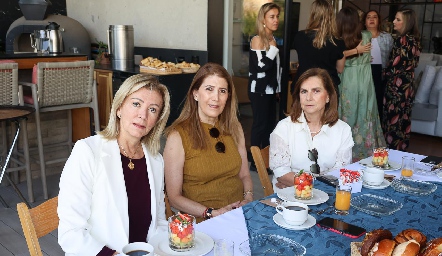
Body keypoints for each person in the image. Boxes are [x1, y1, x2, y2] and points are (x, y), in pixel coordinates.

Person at [58, 74, 170, 255]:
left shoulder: (155, 160)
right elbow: (71, 233)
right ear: (119, 108)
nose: (142, 115)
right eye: (136, 104)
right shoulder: (87, 152)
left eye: (153, 109)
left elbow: (159, 223)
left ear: (157, 120)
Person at [164, 62, 253, 223]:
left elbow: (245, 175)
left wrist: (248, 198)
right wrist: (211, 212)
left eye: (222, 91)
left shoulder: (234, 127)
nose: (216, 98)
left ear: (228, 96)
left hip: (239, 215)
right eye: (209, 89)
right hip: (203, 221)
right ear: (196, 94)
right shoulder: (178, 136)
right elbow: (174, 198)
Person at [269, 68, 354, 193]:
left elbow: (340, 172)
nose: (308, 97)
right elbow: (282, 173)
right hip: (291, 197)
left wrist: (301, 183)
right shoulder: (284, 128)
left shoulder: (343, 130)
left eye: (316, 91)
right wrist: (311, 185)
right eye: (304, 91)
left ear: (328, 97)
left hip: (328, 195)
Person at [336, 6, 386, 161]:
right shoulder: (366, 35)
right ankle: (365, 147)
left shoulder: (338, 40)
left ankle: (344, 147)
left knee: (347, 111)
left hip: (348, 77)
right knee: (365, 110)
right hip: (364, 78)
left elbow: (338, 63)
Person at [382, 9, 421, 151]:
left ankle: (389, 156)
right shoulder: (415, 39)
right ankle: (401, 154)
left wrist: (381, 75)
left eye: (398, 19)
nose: (394, 22)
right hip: (408, 86)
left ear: (407, 22)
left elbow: (395, 66)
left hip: (396, 86)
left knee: (392, 123)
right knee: (403, 122)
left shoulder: (401, 40)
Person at [291, 0, 348, 96]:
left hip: (304, 86)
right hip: (327, 87)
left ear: (313, 14)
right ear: (331, 16)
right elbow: (340, 69)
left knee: (303, 111)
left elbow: (304, 58)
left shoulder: (300, 36)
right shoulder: (337, 40)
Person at [248, 2, 282, 158]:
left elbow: (276, 68)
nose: (276, 20)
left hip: (270, 90)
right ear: (263, 19)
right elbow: (261, 67)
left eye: (277, 16)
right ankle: (256, 162)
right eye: (272, 17)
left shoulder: (272, 38)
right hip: (259, 90)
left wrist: (278, 89)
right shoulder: (257, 39)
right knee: (260, 126)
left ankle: (265, 160)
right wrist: (273, 49)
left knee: (269, 126)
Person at [364, 10, 394, 120]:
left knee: (379, 99)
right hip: (364, 71)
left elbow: (392, 55)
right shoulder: (359, 36)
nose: (371, 19)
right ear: (365, 21)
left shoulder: (387, 37)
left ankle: (378, 126)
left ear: (378, 20)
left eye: (375, 17)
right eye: (368, 17)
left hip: (381, 71)